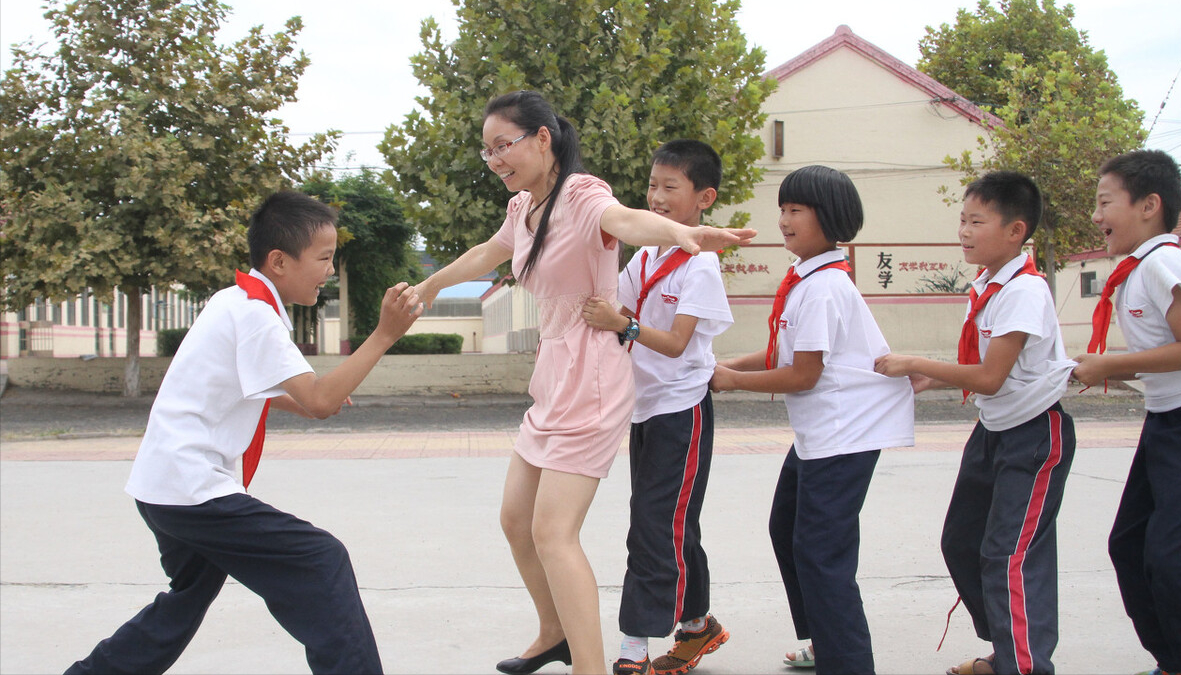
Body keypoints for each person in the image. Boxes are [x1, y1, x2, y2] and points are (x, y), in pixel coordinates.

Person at [412, 91, 754, 675]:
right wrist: (431, 286)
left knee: (553, 532)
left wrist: (679, 232)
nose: (496, 159)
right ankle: (553, 632)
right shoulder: (523, 207)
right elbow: (487, 253)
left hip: (593, 378)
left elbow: (625, 220)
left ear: (542, 138)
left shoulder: (580, 192)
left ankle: (590, 667)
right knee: (516, 521)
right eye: (487, 149)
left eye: (505, 145)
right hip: (554, 371)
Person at [65, 190, 425, 675]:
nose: (328, 270)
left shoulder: (235, 300)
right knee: (322, 560)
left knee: (188, 596)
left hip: (162, 484)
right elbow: (319, 400)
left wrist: (299, 403)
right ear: (279, 261)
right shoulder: (257, 315)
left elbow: (253, 385)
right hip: (191, 487)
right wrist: (385, 333)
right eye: (323, 258)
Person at [711, 165, 915, 675]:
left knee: (823, 555)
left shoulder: (825, 287)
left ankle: (846, 661)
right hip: (821, 436)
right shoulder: (809, 278)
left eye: (796, 210)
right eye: (782, 208)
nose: (783, 220)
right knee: (788, 529)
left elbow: (802, 374)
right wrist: (727, 364)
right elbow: (784, 349)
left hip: (845, 435)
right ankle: (826, 639)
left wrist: (729, 382)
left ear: (829, 218)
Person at [875, 171, 1076, 675]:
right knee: (962, 541)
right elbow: (997, 372)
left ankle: (1022, 665)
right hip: (995, 430)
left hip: (1034, 435)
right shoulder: (988, 285)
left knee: (1008, 554)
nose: (963, 231)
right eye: (962, 220)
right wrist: (934, 381)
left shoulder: (1024, 291)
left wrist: (917, 363)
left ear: (1015, 231)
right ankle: (1009, 649)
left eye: (976, 222)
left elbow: (989, 376)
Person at [580, 140, 734, 675]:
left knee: (652, 523)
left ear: (703, 198)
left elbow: (674, 344)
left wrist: (622, 324)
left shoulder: (701, 266)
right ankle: (697, 625)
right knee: (672, 522)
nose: (657, 197)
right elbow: (612, 306)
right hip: (643, 409)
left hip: (682, 410)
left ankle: (634, 643)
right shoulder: (644, 255)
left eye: (671, 187)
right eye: (652, 186)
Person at [1072, 149, 1181, 675]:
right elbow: (1165, 359)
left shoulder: (1162, 261)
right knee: (1128, 546)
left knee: (1172, 560)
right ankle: (1172, 659)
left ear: (1149, 205)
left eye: (1105, 202)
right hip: (1165, 421)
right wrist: (1101, 369)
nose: (1096, 216)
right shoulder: (1137, 268)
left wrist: (1110, 365)